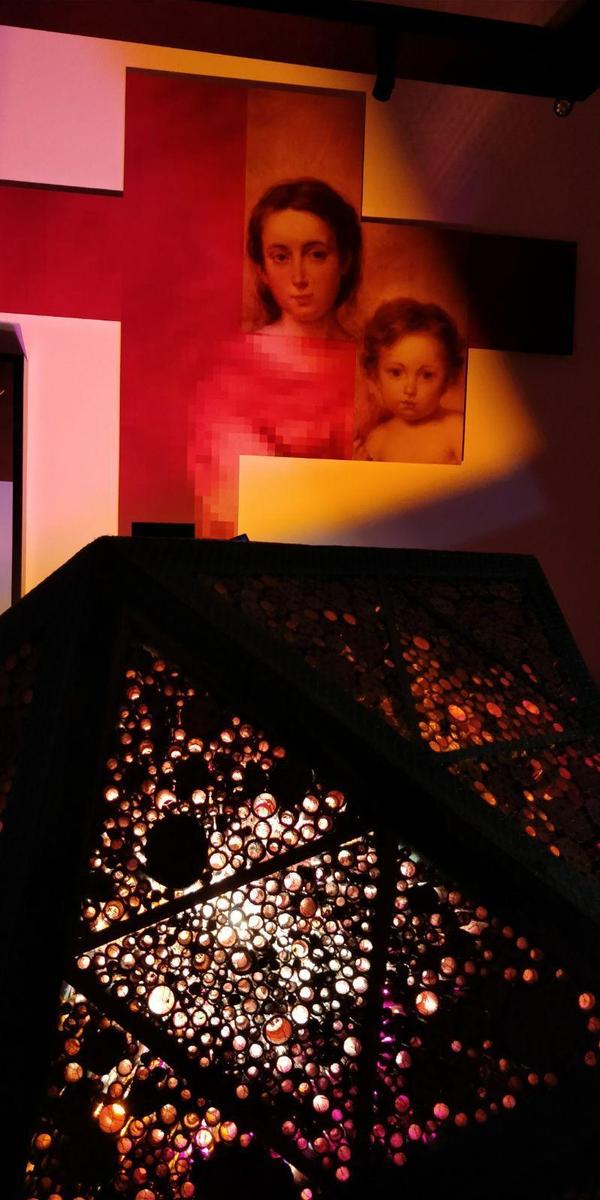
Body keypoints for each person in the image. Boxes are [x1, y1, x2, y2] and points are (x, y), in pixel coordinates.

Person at [246, 177, 362, 340]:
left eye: (316, 255)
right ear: (262, 269)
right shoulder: (248, 351)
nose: (299, 279)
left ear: (345, 260)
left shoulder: (365, 353)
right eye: (281, 257)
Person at [354, 297, 465, 464]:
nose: (410, 389)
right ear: (375, 375)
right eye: (396, 373)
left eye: (426, 375)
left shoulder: (456, 429)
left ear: (447, 379)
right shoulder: (378, 440)